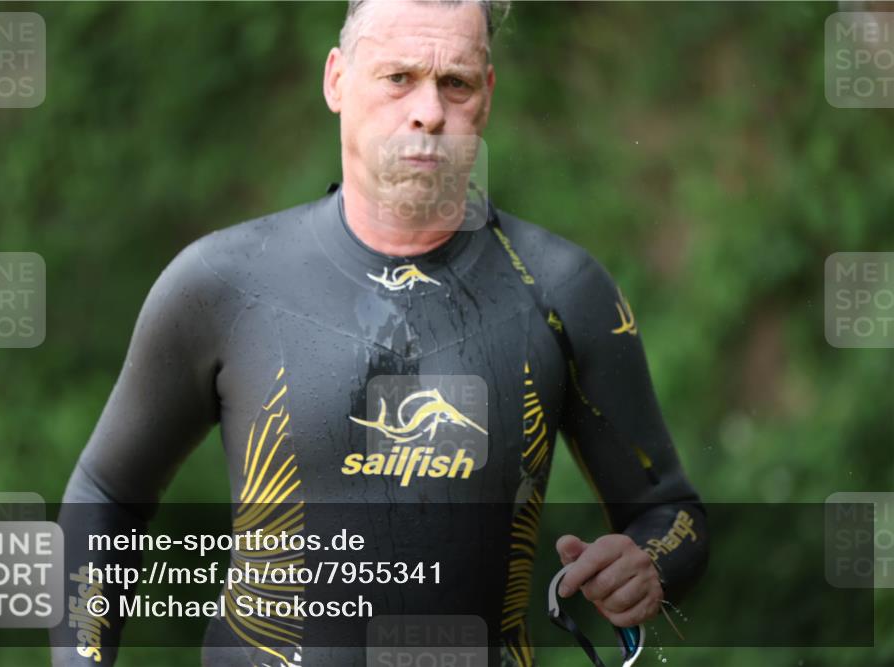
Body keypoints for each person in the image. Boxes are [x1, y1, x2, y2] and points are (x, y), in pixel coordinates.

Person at [51, 1, 708, 665]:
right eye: (399, 78)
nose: (428, 111)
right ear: (336, 80)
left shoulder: (562, 290)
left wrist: (646, 565)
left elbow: (670, 512)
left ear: (487, 95)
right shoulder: (224, 283)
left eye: (455, 83)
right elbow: (106, 493)